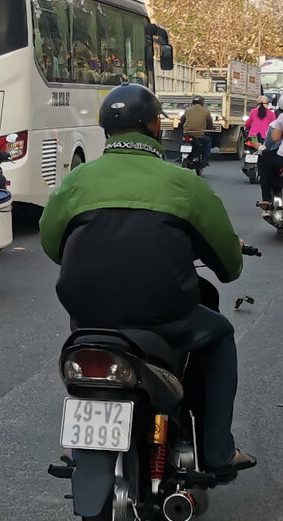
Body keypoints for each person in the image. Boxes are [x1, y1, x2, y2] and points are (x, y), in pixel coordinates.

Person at [39, 83, 255, 476]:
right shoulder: (185, 184)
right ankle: (219, 451)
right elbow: (229, 267)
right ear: (156, 126)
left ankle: (76, 446)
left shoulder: (75, 181)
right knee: (220, 335)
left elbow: (53, 247)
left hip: (89, 319)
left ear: (106, 128)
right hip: (165, 320)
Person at [181, 95, 213, 165]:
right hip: (199, 135)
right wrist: (210, 128)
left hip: (187, 134)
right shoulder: (206, 111)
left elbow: (182, 120)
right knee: (208, 141)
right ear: (202, 103)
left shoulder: (187, 110)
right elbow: (209, 122)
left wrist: (182, 127)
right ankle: (205, 158)